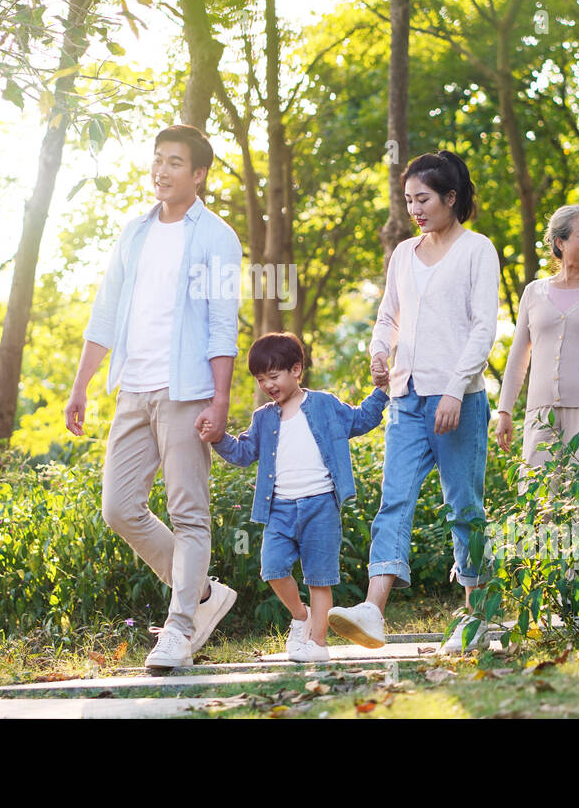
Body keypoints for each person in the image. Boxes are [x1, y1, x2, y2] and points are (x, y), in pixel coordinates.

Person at [64, 124, 242, 674]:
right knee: (119, 507)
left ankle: (181, 626)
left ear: (198, 174)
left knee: (189, 511)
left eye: (174, 163)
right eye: (157, 160)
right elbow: (105, 312)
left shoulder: (216, 236)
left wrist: (219, 401)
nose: (161, 171)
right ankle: (205, 592)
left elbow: (221, 325)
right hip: (133, 388)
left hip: (186, 390)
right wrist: (81, 383)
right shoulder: (134, 232)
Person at [328, 150, 499, 655]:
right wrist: (380, 352)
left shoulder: (477, 250)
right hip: (405, 399)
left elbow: (483, 327)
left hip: (458, 403)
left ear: (451, 197)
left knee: (464, 507)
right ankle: (373, 613)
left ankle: (477, 616)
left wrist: (454, 388)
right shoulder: (403, 253)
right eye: (408, 201)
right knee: (394, 501)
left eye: (423, 199)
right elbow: (387, 316)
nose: (415, 210)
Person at [204, 332, 387, 662]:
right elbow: (244, 453)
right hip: (280, 510)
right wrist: (218, 438)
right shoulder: (263, 418)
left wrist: (382, 391)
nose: (268, 385)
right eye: (261, 379)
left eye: (273, 376)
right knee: (272, 568)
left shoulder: (324, 404)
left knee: (320, 578)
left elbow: (361, 419)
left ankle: (318, 645)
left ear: (296, 370)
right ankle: (300, 617)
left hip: (321, 505)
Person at [496, 205, 579, 474]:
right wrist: (505, 411)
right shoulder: (533, 292)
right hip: (540, 412)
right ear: (560, 242)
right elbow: (519, 356)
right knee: (537, 496)